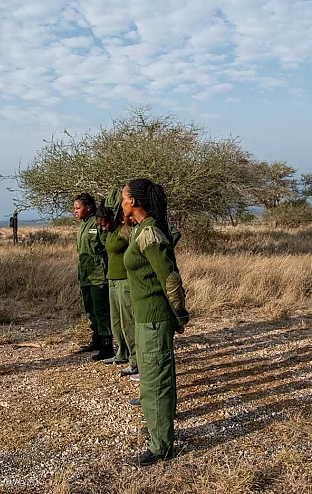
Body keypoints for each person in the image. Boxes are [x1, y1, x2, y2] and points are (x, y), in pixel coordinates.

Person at [121, 178, 189, 466]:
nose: (120, 203)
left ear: (134, 202)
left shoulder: (150, 234)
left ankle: (161, 446)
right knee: (150, 378)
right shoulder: (140, 231)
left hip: (155, 319)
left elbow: (170, 278)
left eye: (123, 199)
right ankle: (155, 426)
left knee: (157, 380)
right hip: (144, 317)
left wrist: (180, 315)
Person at [95, 201, 137, 375]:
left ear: (112, 218)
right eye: (100, 226)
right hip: (111, 280)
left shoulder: (125, 230)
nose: (103, 228)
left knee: (128, 321)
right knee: (116, 321)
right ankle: (122, 352)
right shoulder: (110, 233)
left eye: (104, 224)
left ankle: (135, 360)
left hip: (124, 280)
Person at [73, 193, 114, 361]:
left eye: (78, 208)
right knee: (90, 308)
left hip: (98, 274)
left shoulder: (97, 222)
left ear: (88, 207)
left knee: (101, 310)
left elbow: (107, 246)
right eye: (74, 208)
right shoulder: (83, 224)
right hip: (86, 274)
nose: (75, 211)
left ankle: (107, 345)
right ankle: (96, 339)